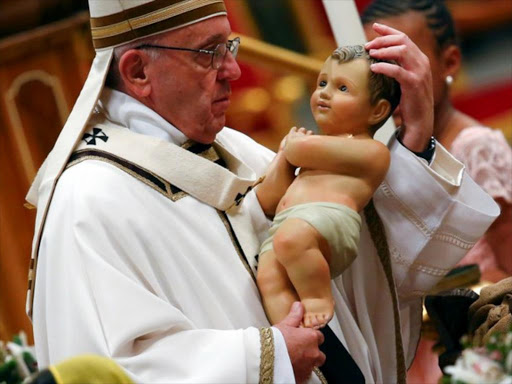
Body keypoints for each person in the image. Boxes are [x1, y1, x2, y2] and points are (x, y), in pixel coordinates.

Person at [25, 1, 499, 383]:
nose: (233, 70)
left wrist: (413, 138)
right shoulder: (89, 201)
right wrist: (261, 359)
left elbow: (352, 255)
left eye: (229, 45)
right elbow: (106, 372)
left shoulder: (235, 149)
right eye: (210, 53)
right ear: (137, 72)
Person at [361, 0, 512, 382]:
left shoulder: (475, 146)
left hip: (480, 338)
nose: (391, 79)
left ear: (449, 63)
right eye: (378, 64)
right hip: (415, 344)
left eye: (406, 60)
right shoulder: (386, 153)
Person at [255, 45, 400, 329]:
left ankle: (318, 299)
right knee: (268, 275)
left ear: (377, 110)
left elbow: (298, 149)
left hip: (327, 224)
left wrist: (292, 147)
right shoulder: (314, 149)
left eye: (342, 88)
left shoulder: (372, 152)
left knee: (291, 240)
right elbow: (268, 200)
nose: (324, 92)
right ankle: (291, 331)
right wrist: (283, 160)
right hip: (288, 226)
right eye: (322, 83)